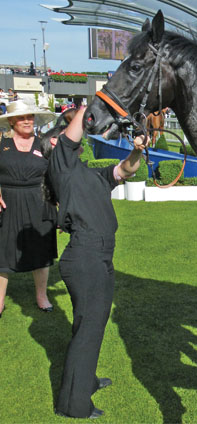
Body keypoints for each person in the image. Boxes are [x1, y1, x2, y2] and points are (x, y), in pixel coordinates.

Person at [43, 107, 146, 419]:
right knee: (88, 329)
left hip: (101, 255)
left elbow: (125, 171)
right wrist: (90, 106)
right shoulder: (60, 168)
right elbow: (69, 140)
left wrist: (137, 150)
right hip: (85, 254)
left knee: (92, 325)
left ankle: (85, 380)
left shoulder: (88, 172)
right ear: (55, 144)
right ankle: (73, 405)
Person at [0, 100, 57, 318]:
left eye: (30, 117)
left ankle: (41, 296)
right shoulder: (1, 144)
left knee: (41, 249)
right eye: (22, 117)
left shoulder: (45, 144)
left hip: (40, 200)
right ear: (12, 121)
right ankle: (0, 301)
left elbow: (56, 173)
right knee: (2, 251)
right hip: (7, 202)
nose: (27, 121)